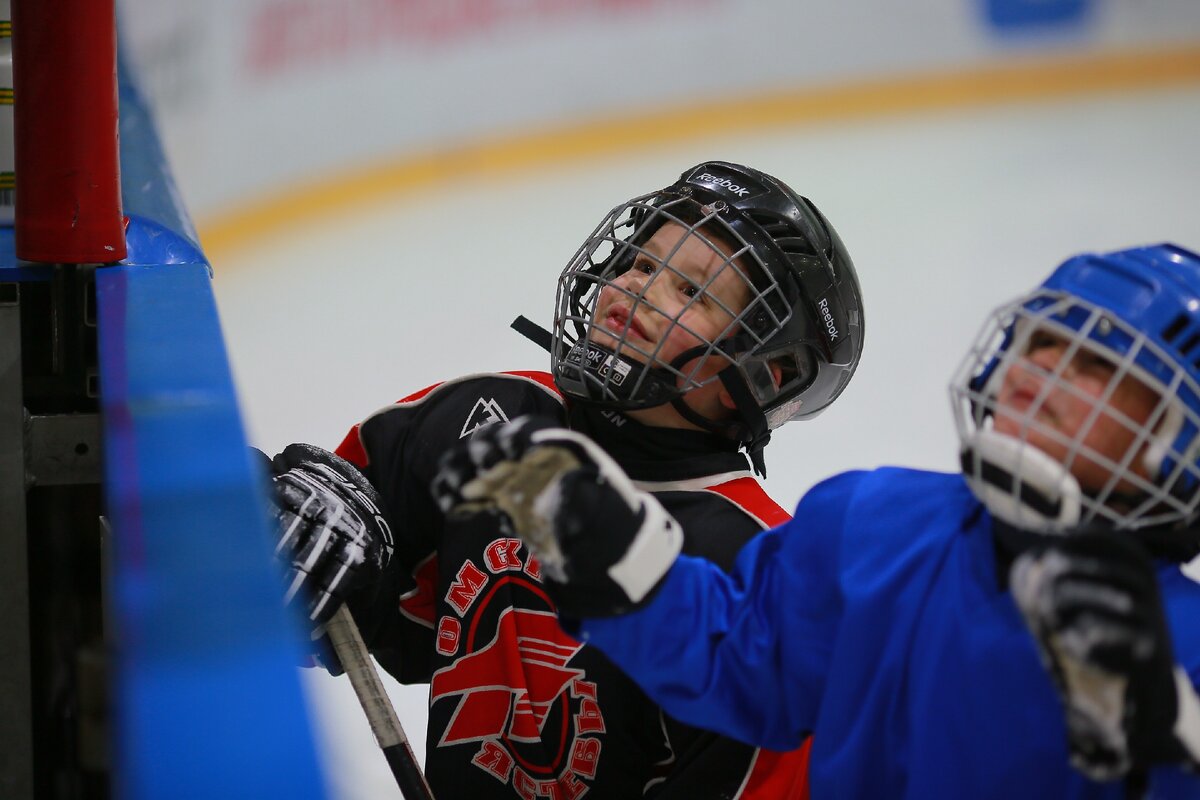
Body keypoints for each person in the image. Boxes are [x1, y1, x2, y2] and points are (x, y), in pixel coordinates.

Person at [434, 243, 1200, 799]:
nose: (1042, 376)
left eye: (1099, 367)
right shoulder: (873, 521)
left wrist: (1169, 737)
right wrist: (609, 553)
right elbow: (737, 660)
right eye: (1041, 344)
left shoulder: (1183, 649)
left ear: (1182, 441)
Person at [262, 161, 866, 798]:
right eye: (640, 263)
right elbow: (371, 612)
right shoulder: (489, 418)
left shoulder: (748, 562)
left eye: (692, 293)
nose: (639, 291)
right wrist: (303, 537)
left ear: (764, 377)